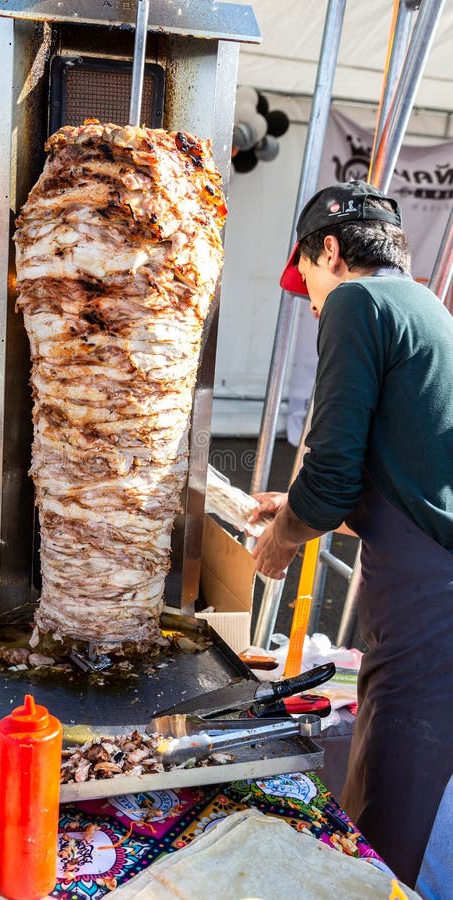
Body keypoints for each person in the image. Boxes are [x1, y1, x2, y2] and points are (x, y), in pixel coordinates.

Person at [247, 181, 453, 892]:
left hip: (431, 588)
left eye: (305, 277)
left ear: (330, 250)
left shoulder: (358, 302)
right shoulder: (425, 303)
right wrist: (301, 507)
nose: (308, 299)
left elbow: (332, 468)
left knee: (396, 784)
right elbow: (400, 460)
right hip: (429, 568)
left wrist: (281, 540)